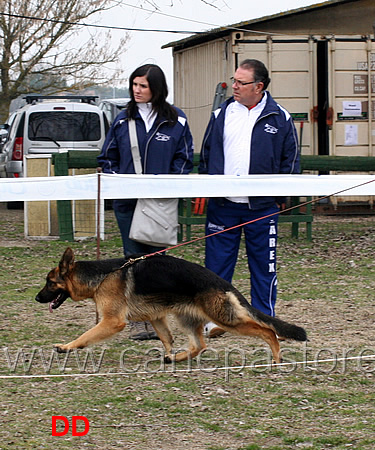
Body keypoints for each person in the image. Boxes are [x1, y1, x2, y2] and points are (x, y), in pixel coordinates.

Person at [199, 58, 300, 336]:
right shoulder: (222, 114)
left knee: (264, 268)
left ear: (259, 86)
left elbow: (290, 160)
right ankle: (215, 320)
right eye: (234, 80)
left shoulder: (280, 117)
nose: (234, 86)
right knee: (216, 269)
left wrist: (281, 196)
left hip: (261, 208)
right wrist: (207, 190)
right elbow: (207, 155)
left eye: (241, 82)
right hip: (224, 206)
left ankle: (266, 320)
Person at [98, 64, 194, 340]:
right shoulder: (121, 120)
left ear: (156, 88)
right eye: (134, 85)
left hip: (159, 201)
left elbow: (184, 158)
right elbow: (107, 158)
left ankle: (156, 314)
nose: (136, 90)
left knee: (156, 259)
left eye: (143, 85)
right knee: (132, 258)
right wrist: (121, 180)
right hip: (127, 200)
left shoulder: (177, 120)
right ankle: (138, 319)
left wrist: (166, 184)